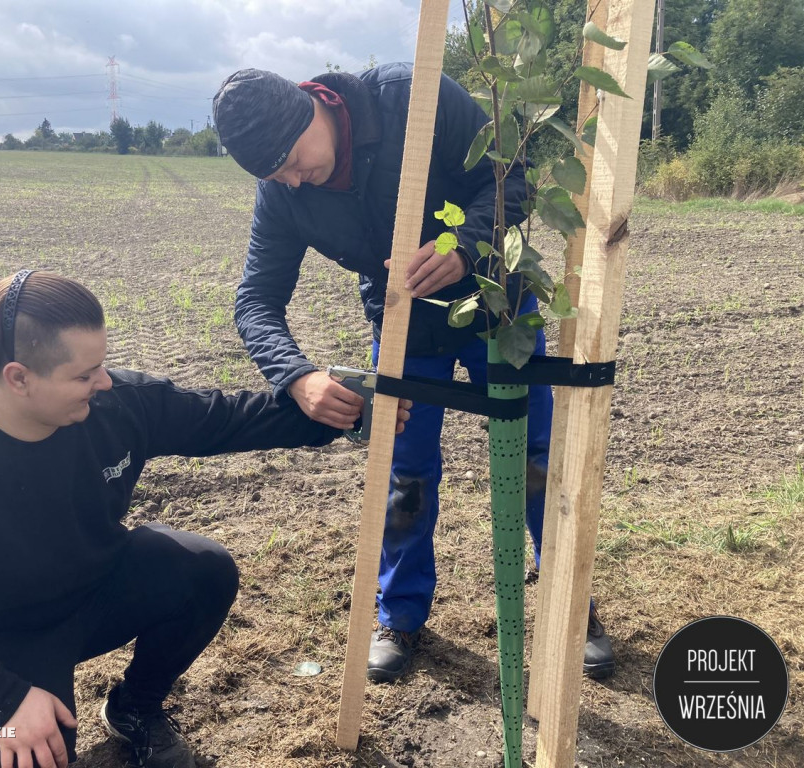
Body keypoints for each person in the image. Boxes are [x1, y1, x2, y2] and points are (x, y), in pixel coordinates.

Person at [0, 270, 410, 768]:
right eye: (84, 375)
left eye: (102, 366)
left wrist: (341, 413)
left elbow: (223, 419)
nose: (104, 383)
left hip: (89, 594)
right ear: (18, 377)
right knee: (38, 750)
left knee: (202, 570)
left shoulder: (113, 406)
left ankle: (133, 707)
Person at [212, 63, 615, 683]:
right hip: (401, 329)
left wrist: (465, 247)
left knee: (536, 460)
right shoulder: (284, 192)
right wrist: (297, 376)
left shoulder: (412, 98)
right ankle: (399, 615)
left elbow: (511, 179)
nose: (294, 180)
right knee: (403, 473)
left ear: (310, 107)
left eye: (293, 159)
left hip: (494, 303)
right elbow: (255, 300)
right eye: (276, 175)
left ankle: (573, 607)